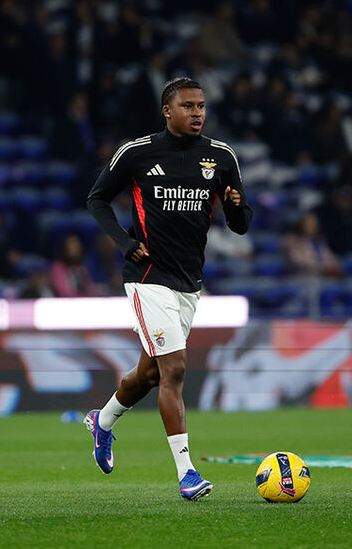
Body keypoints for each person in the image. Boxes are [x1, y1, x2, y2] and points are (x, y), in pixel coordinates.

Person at [84, 76, 252, 500]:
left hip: (189, 281)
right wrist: (125, 243)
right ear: (167, 111)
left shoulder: (220, 157)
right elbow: (97, 198)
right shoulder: (138, 152)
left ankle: (103, 422)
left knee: (150, 373)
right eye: (188, 106)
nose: (197, 113)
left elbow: (241, 224)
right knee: (174, 368)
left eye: (201, 106)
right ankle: (187, 473)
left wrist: (236, 207)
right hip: (147, 276)